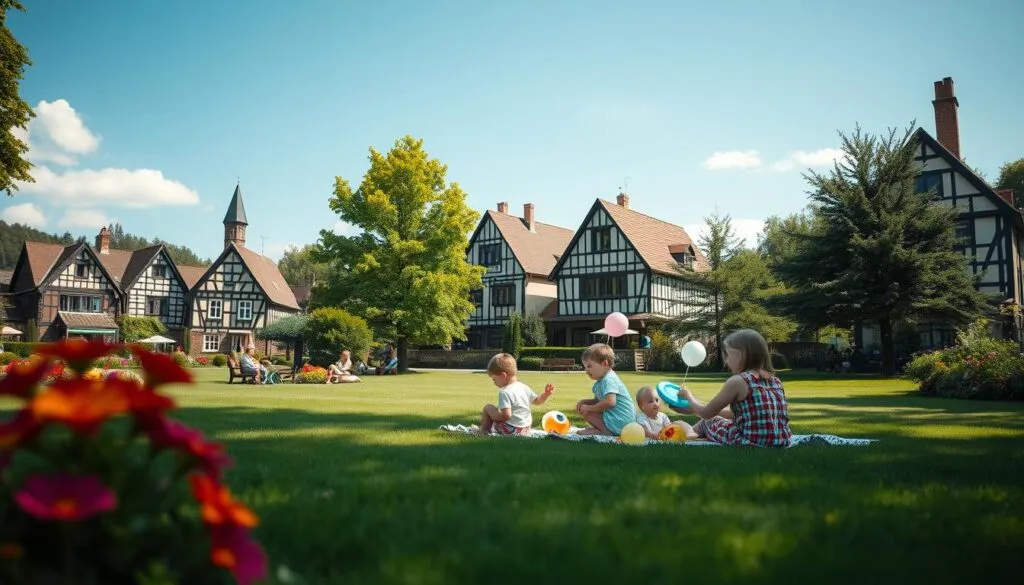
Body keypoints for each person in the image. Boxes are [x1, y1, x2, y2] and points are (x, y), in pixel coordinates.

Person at [671, 328, 792, 447]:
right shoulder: (775, 381)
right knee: (721, 419)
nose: (726, 362)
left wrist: (689, 397)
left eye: (728, 356)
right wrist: (700, 406)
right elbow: (735, 414)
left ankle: (690, 432)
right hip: (780, 440)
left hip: (749, 441)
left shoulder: (738, 381)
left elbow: (707, 414)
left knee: (708, 422)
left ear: (742, 355)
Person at [475, 353, 554, 435]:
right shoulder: (523, 387)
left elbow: (506, 415)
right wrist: (546, 394)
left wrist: (494, 416)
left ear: (503, 375)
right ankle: (487, 428)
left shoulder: (505, 392)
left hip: (511, 430)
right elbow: (537, 401)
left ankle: (483, 431)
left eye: (494, 379)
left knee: (488, 408)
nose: (494, 382)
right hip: (525, 429)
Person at [575, 343, 635, 436]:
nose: (586, 370)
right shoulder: (602, 381)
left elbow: (610, 402)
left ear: (604, 364)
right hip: (618, 420)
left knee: (587, 410)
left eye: (589, 366)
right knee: (586, 408)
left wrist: (589, 408)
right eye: (585, 367)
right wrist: (584, 402)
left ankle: (605, 431)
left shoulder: (609, 380)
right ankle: (601, 428)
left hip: (621, 421)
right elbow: (598, 401)